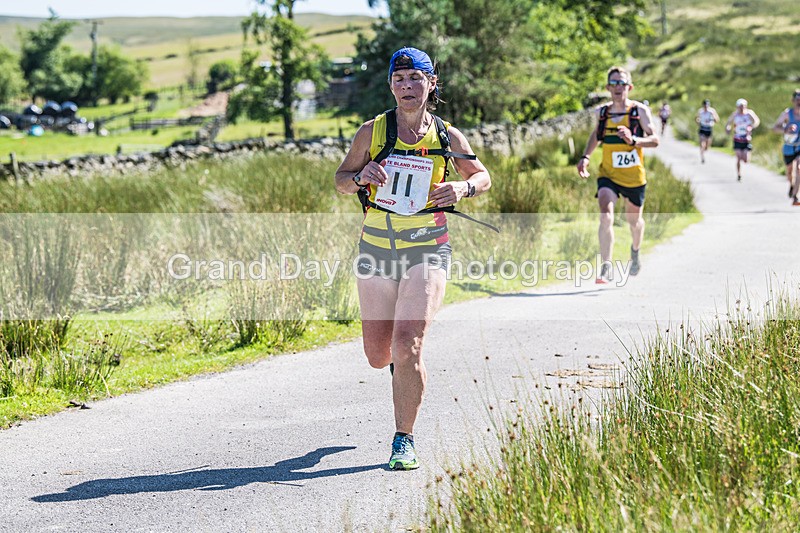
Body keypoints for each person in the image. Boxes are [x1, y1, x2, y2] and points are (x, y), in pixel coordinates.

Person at [334, 47, 491, 470]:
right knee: (378, 354)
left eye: (415, 78)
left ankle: (404, 439)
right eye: (399, 78)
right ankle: (399, 369)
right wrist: (360, 176)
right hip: (377, 249)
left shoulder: (446, 136)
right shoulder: (374, 132)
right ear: (391, 85)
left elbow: (482, 175)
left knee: (409, 345)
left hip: (428, 247)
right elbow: (341, 180)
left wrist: (463, 189)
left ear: (431, 83)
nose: (407, 86)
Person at [577, 66, 659, 283]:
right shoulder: (602, 113)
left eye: (621, 83)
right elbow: (596, 135)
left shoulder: (639, 111)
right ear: (607, 88)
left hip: (634, 178)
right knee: (605, 215)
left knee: (635, 222)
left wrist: (634, 140)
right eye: (613, 84)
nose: (617, 88)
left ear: (629, 87)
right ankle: (606, 266)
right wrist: (585, 156)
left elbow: (655, 140)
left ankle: (635, 251)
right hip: (608, 175)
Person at [771, 89, 800, 205]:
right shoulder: (787, 113)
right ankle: (792, 185)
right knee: (789, 172)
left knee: (799, 168)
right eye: (797, 100)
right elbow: (775, 128)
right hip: (789, 147)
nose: (799, 102)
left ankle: (795, 197)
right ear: (793, 101)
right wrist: (786, 129)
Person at [725, 98, 761, 181]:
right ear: (737, 107)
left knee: (746, 160)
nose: (742, 108)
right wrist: (728, 128)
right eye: (740, 106)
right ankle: (739, 174)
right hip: (737, 138)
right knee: (738, 157)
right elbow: (728, 123)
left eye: (743, 106)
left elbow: (756, 121)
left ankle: (744, 155)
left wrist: (751, 127)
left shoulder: (749, 113)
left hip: (746, 139)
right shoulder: (735, 115)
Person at [696, 99, 720, 164]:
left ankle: (704, 150)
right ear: (703, 105)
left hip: (709, 129)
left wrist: (713, 117)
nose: (706, 107)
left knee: (707, 146)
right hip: (702, 128)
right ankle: (702, 157)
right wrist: (698, 120)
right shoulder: (700, 111)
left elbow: (717, 120)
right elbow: (697, 119)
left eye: (707, 105)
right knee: (702, 144)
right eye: (705, 105)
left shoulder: (712, 111)